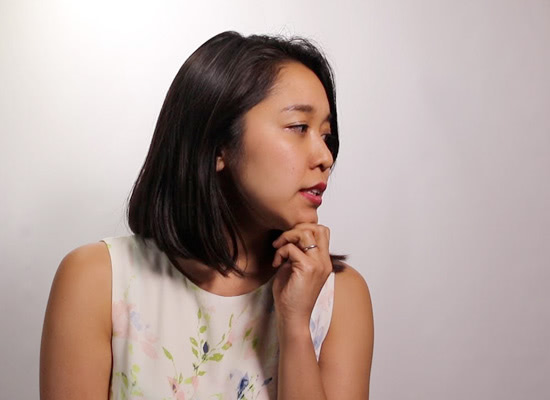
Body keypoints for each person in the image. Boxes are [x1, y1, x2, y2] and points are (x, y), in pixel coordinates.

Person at [39, 31, 374, 399]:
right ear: (218, 146)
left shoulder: (338, 297)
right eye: (299, 128)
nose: (325, 156)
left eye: (326, 135)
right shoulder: (99, 281)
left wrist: (295, 326)